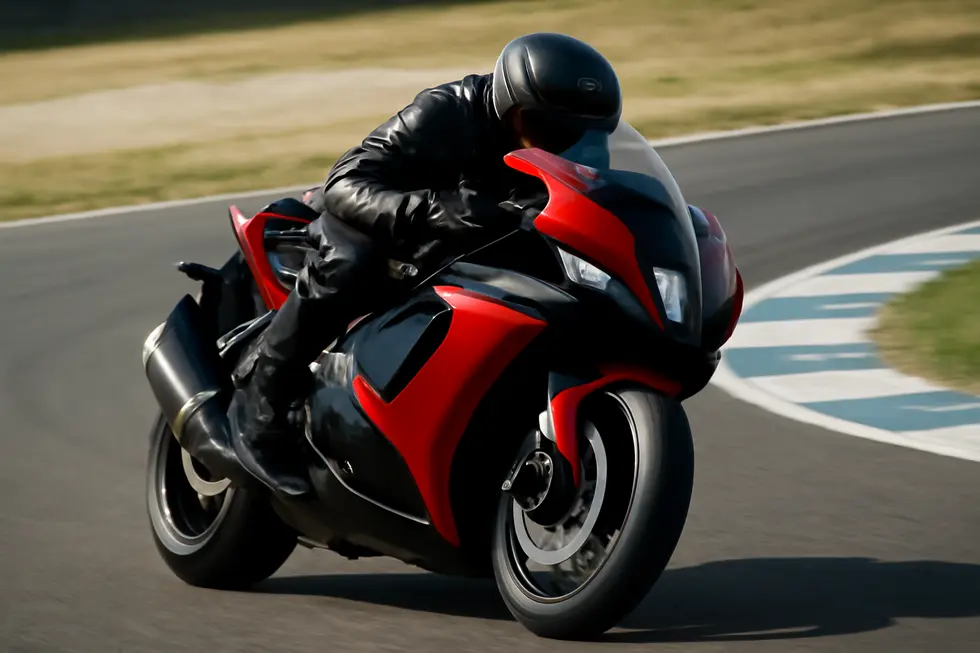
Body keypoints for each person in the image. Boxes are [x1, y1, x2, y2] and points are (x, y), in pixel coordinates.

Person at [223, 32, 624, 497]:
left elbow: (595, 198)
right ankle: (259, 412)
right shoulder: (448, 112)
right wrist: (434, 210)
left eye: (579, 134)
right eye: (548, 128)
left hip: (461, 254)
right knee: (352, 260)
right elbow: (346, 181)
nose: (563, 143)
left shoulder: (579, 143)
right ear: (513, 107)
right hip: (380, 224)